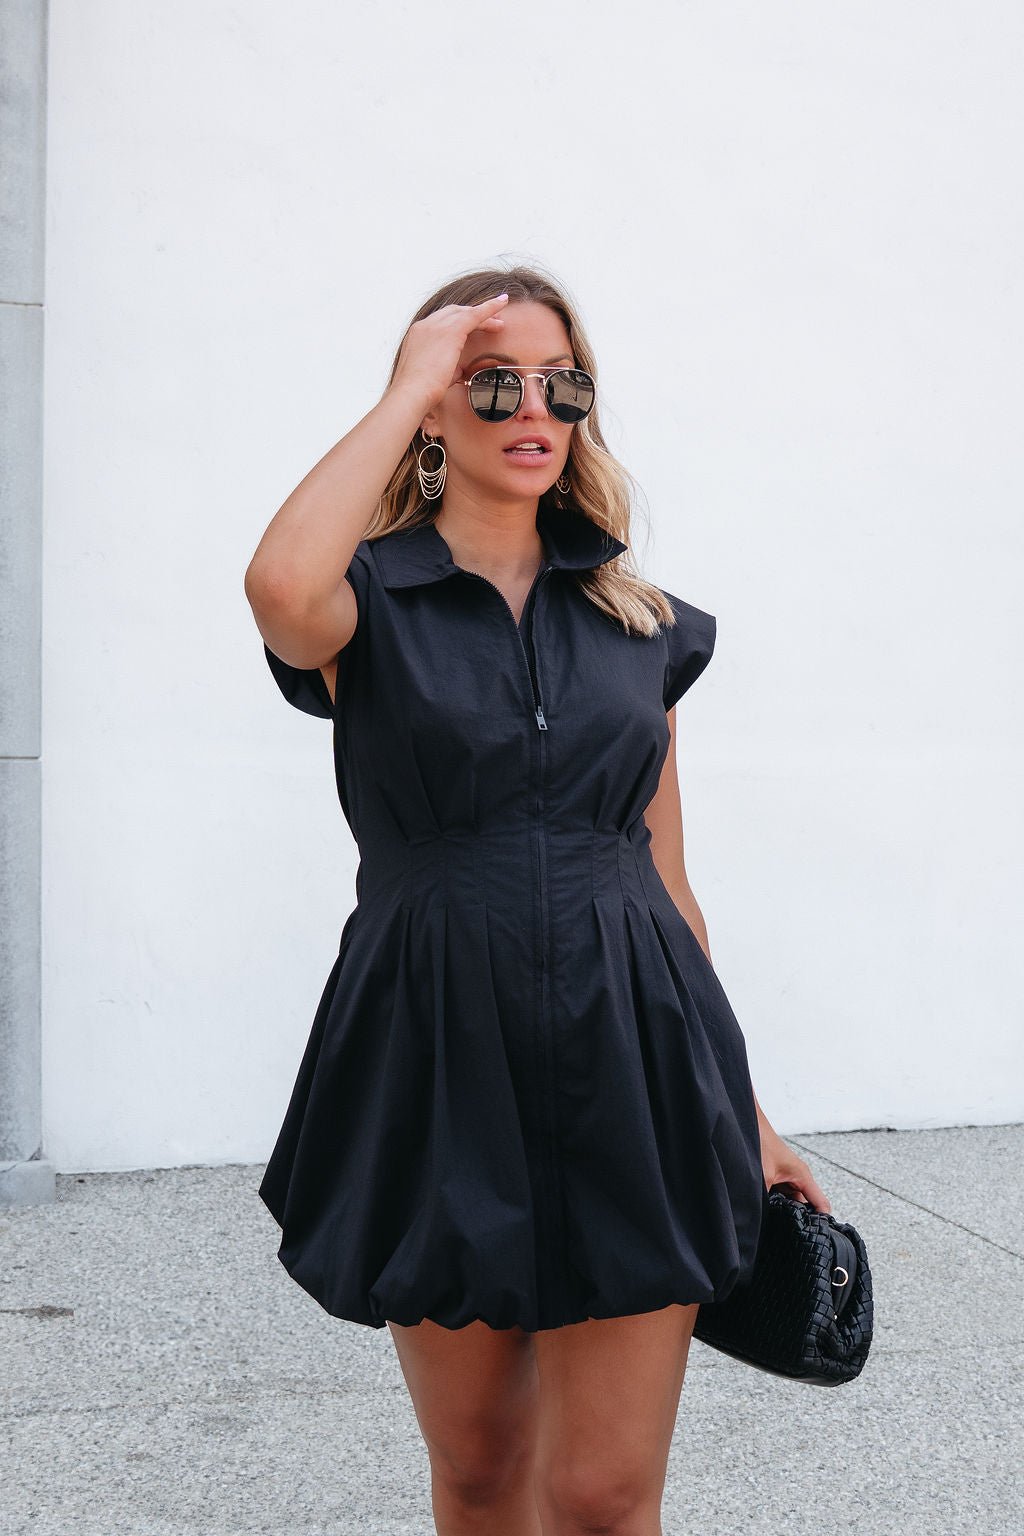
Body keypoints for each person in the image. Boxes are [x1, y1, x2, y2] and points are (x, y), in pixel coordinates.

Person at [244, 263, 831, 1536]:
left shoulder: (642, 623)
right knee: (481, 1471)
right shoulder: (367, 604)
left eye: (561, 384)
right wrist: (409, 381)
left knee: (607, 1493)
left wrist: (747, 1108)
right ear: (435, 412)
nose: (533, 407)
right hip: (434, 1050)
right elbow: (280, 593)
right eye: (491, 381)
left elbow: (668, 881)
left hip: (634, 1053)